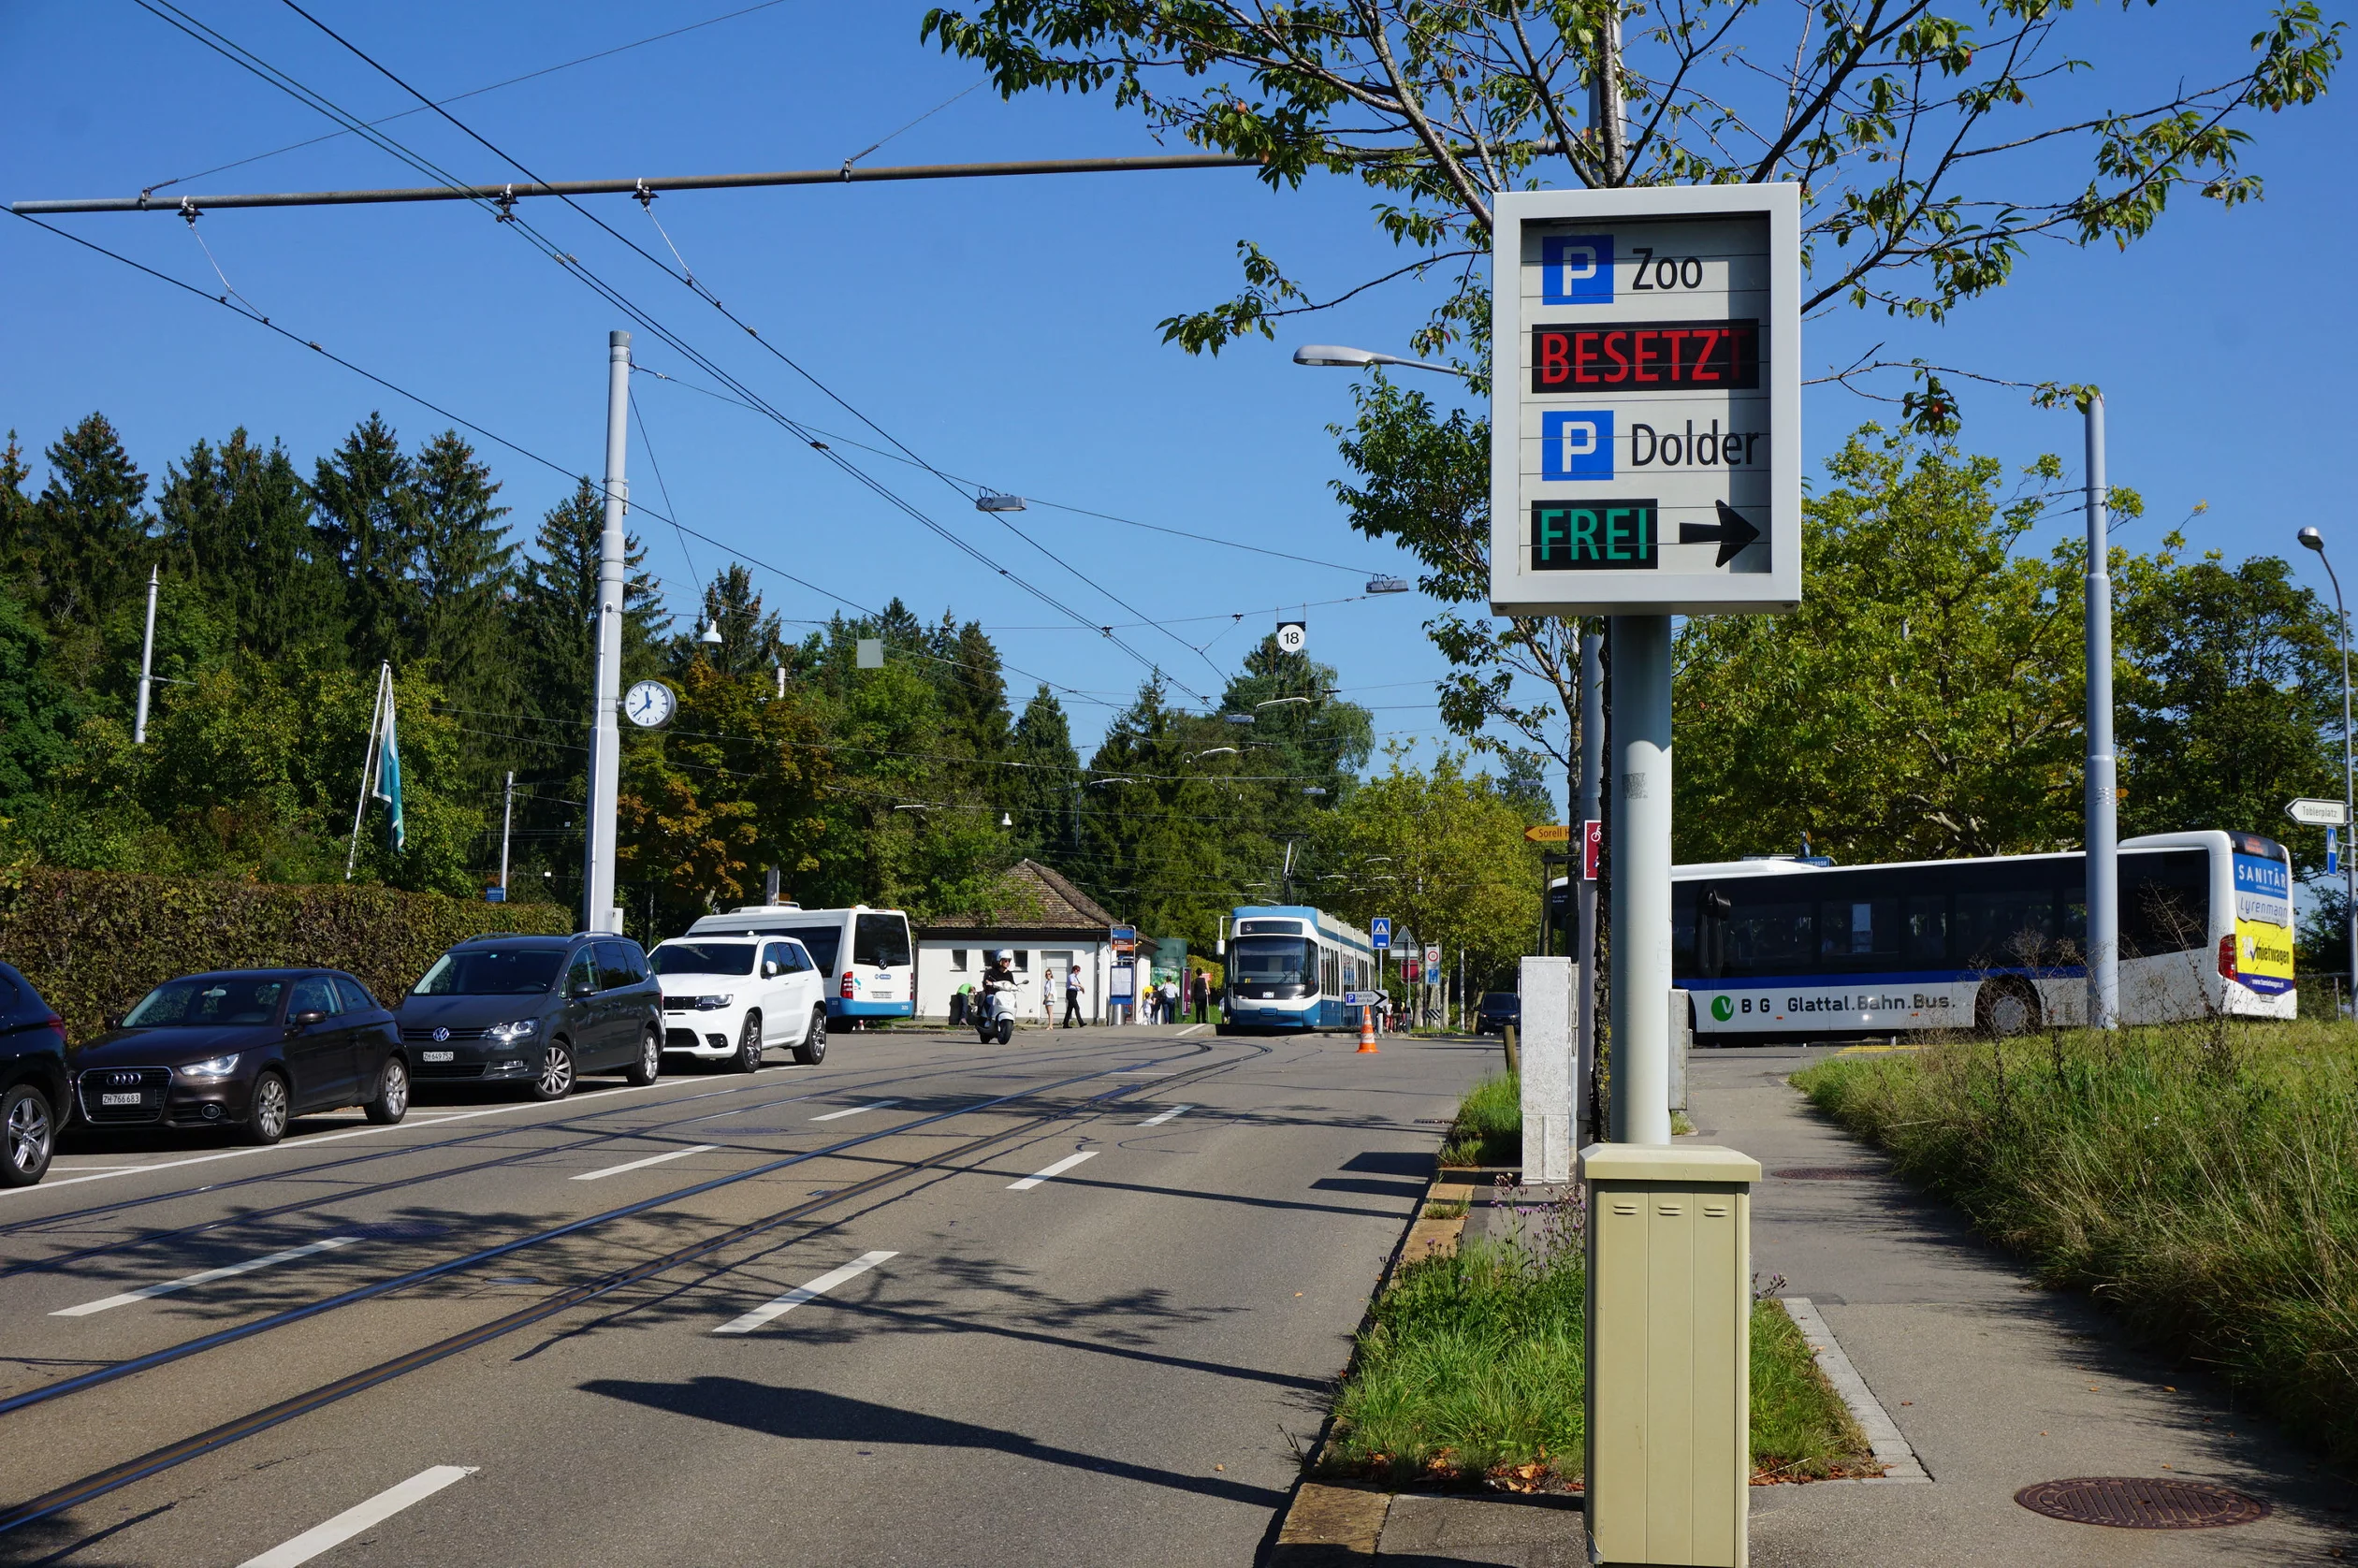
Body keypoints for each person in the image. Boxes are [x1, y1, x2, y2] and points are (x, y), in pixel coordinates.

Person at [1064, 964, 1084, 1028]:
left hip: (1074, 993)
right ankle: (1081, 1022)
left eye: (1079, 971)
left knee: (1069, 1009)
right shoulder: (1071, 976)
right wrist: (1080, 986)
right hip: (1070, 993)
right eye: (1077, 970)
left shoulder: (1075, 977)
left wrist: (1081, 989)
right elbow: (1072, 983)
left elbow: (1076, 986)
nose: (1078, 972)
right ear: (1074, 970)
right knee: (1077, 1007)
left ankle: (1065, 1024)